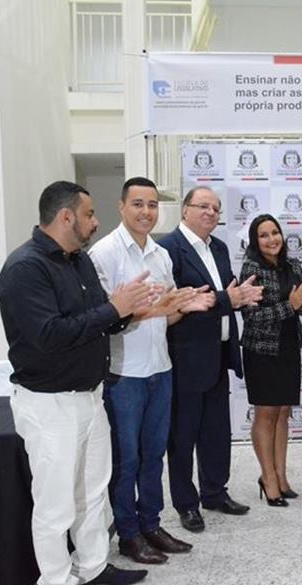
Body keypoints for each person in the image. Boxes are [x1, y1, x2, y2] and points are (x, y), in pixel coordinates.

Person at [0, 181, 151, 585]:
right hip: (50, 406)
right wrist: (113, 309)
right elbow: (49, 335)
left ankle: (92, 566)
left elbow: (99, 318)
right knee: (55, 505)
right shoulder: (24, 269)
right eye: (89, 214)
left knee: (92, 491)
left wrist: (125, 310)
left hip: (90, 396)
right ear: (66, 217)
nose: (95, 222)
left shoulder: (78, 261)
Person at [88, 177, 215, 564]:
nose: (146, 212)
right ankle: (128, 534)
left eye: (153, 205)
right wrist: (158, 309)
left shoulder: (159, 255)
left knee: (154, 454)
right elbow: (107, 319)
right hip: (125, 373)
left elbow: (167, 316)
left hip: (161, 367)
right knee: (127, 459)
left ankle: (151, 524)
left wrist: (183, 305)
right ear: (122, 207)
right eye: (138, 204)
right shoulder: (104, 254)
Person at [159, 186, 264, 533]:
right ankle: (187, 505)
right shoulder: (168, 249)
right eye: (203, 206)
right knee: (183, 435)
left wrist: (241, 296)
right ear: (185, 210)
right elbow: (179, 302)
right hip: (186, 357)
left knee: (216, 431)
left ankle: (215, 492)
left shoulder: (218, 247)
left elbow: (225, 295)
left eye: (216, 209)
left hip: (219, 353)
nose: (210, 213)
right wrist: (227, 298)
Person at [239, 214, 302, 506]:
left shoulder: (293, 265)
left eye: (275, 233)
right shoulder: (252, 268)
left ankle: (281, 476)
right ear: (255, 240)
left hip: (288, 346)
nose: (272, 239)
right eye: (264, 235)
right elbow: (252, 317)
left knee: (283, 411)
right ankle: (267, 477)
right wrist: (292, 304)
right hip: (261, 349)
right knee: (266, 413)